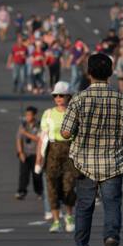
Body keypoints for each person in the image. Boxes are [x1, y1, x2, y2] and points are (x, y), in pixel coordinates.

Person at [61, 51, 123, 246]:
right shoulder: (121, 100)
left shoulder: (78, 99)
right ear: (110, 74)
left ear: (89, 73)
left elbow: (66, 133)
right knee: (112, 205)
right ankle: (111, 241)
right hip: (113, 163)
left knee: (84, 206)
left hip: (84, 164)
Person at [39, 81, 78, 233]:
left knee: (68, 186)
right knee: (52, 186)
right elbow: (43, 137)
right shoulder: (48, 113)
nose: (58, 98)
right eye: (56, 95)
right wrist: (38, 157)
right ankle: (56, 220)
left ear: (69, 96)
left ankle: (69, 215)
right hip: (52, 151)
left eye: (62, 95)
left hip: (70, 151)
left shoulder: (74, 112)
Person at [15, 106, 43, 201]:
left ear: (34, 115)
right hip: (25, 154)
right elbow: (19, 139)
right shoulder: (23, 125)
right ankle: (21, 191)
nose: (27, 117)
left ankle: (40, 192)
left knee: (37, 175)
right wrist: (20, 152)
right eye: (26, 115)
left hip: (36, 153)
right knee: (23, 174)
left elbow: (39, 139)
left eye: (29, 115)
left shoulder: (39, 125)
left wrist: (26, 133)